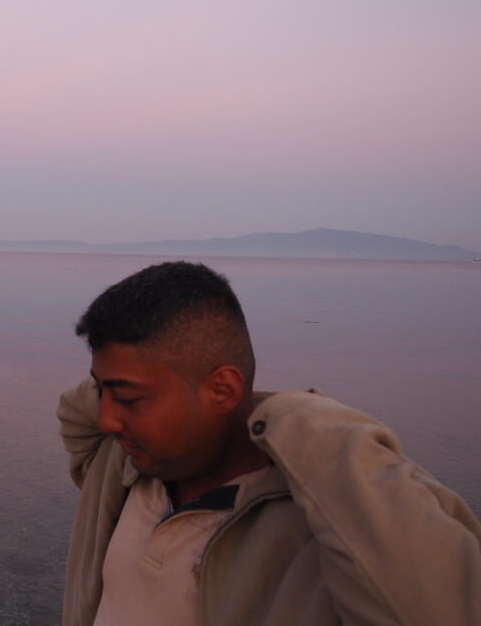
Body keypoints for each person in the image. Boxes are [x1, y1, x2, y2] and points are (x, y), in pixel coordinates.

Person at [57, 261, 480, 626]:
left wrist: (301, 422)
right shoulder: (119, 467)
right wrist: (118, 390)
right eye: (102, 391)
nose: (106, 419)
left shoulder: (314, 532)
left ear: (222, 390)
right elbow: (75, 412)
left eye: (128, 398)